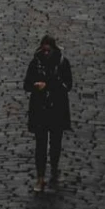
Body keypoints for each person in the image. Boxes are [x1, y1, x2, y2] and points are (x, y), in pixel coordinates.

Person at [22, 35, 72, 192]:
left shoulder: (62, 63)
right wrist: (35, 86)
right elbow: (26, 84)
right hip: (40, 110)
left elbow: (68, 85)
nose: (45, 53)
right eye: (43, 50)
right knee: (40, 145)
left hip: (57, 109)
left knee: (56, 143)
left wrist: (49, 85)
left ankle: (54, 168)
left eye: (48, 50)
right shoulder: (35, 63)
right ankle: (40, 177)